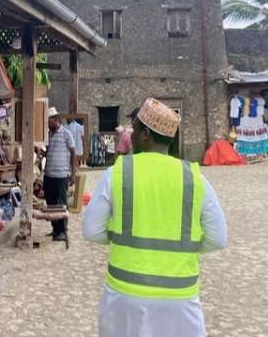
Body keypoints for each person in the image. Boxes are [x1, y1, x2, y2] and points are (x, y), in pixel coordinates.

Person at [82, 98, 227, 337]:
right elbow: (218, 238)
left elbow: (91, 231)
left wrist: (121, 237)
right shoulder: (194, 177)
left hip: (124, 296)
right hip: (180, 299)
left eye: (135, 130)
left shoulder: (118, 172)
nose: (132, 135)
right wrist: (184, 247)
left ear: (146, 134)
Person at [44, 107, 76, 242]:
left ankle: (63, 230)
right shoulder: (48, 135)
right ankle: (55, 229)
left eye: (48, 121)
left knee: (62, 204)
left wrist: (73, 173)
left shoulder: (66, 134)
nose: (47, 124)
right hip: (49, 175)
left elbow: (73, 153)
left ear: (55, 120)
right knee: (51, 204)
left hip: (61, 175)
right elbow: (47, 152)